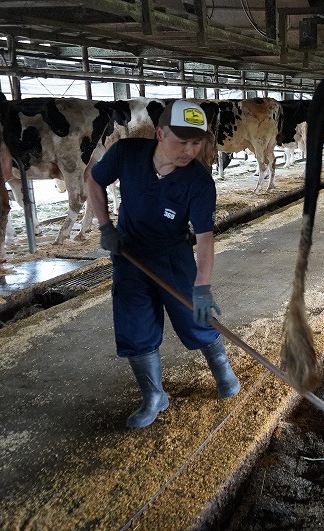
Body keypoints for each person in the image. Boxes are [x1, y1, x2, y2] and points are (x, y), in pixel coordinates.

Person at [88, 99, 241, 428]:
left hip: (173, 256)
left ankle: (222, 370)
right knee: (135, 326)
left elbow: (204, 238)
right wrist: (105, 227)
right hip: (129, 254)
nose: (189, 150)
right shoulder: (126, 154)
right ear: (159, 133)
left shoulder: (199, 182)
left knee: (195, 316)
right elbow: (94, 179)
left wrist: (202, 286)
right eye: (181, 141)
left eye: (196, 142)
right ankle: (154, 395)